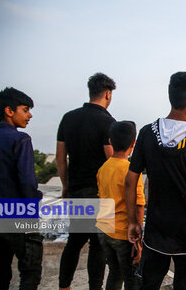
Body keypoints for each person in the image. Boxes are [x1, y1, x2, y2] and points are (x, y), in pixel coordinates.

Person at [125, 71, 186, 290]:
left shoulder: (147, 134)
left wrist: (133, 222)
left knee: (147, 284)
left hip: (156, 231)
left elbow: (131, 181)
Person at [0, 87, 43, 289]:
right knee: (30, 273)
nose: (29, 115)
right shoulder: (21, 140)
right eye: (25, 109)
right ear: (9, 111)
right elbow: (27, 183)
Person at [56, 72, 116, 290]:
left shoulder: (68, 118)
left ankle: (64, 286)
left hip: (77, 190)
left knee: (74, 241)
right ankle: (95, 288)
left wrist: (66, 185)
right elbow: (111, 157)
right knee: (98, 245)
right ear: (108, 94)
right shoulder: (108, 122)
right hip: (100, 194)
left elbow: (60, 157)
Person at [95, 121, 145, 290]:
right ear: (134, 143)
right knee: (132, 278)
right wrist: (138, 241)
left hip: (104, 230)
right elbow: (138, 205)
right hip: (123, 234)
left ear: (110, 141)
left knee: (115, 273)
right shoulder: (131, 171)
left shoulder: (103, 168)